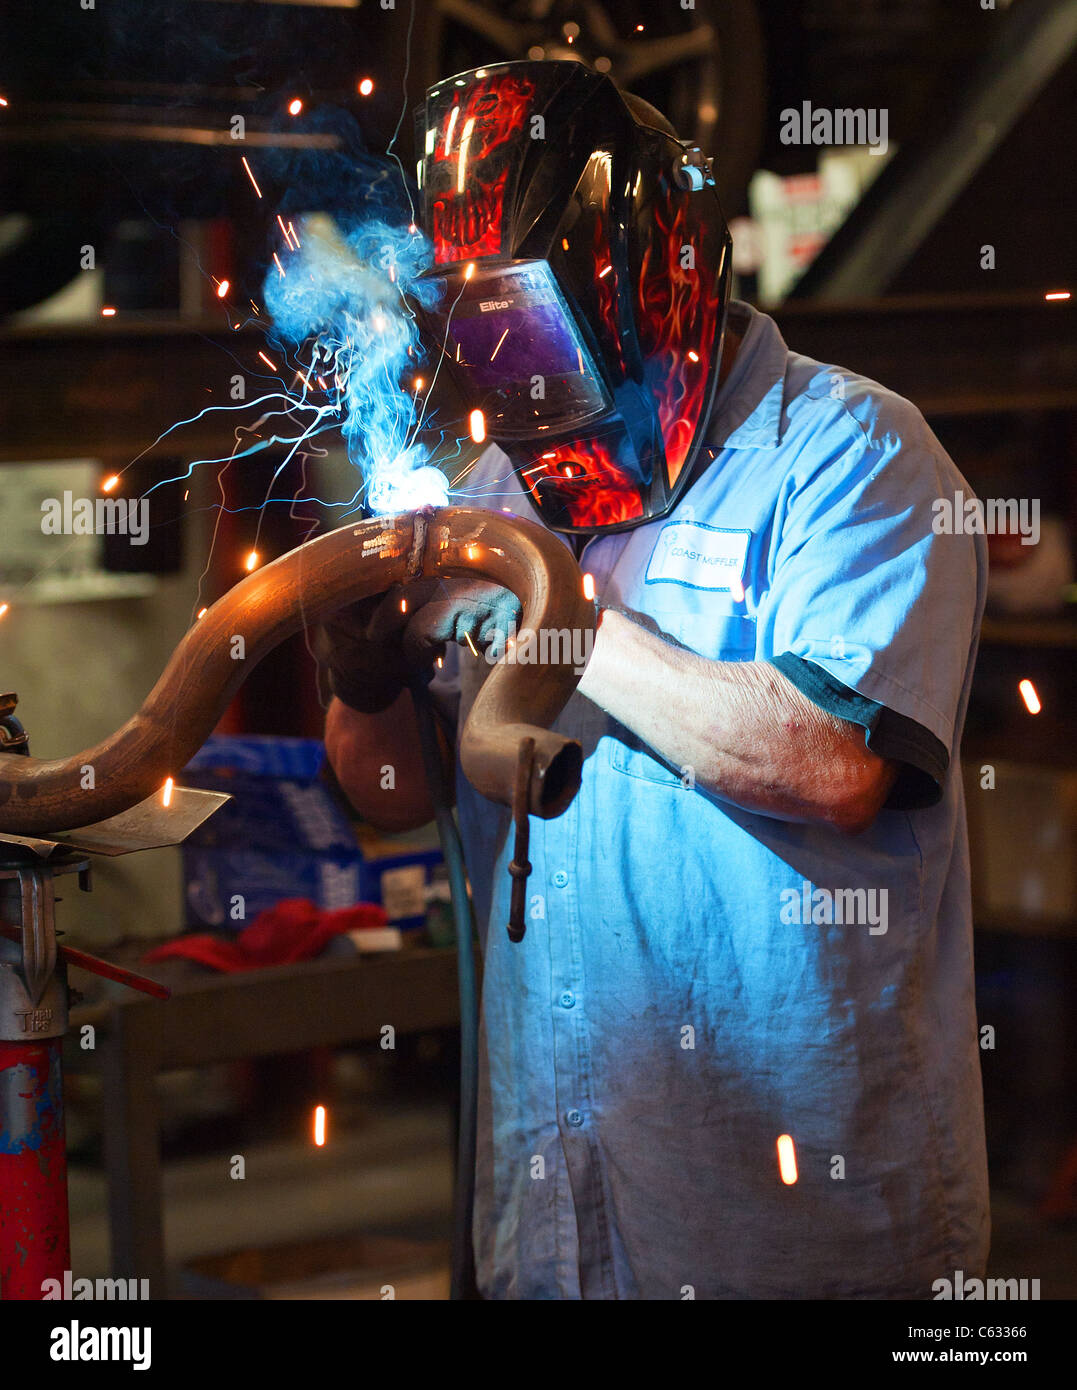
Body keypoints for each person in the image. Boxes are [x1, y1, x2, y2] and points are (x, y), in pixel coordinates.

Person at [323, 60, 989, 1299]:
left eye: (525, 318)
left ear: (645, 279)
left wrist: (541, 612)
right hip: (555, 1224)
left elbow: (832, 762)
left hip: (791, 1240)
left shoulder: (851, 458)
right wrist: (364, 681)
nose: (510, 370)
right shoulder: (491, 499)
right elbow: (392, 788)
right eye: (473, 328)